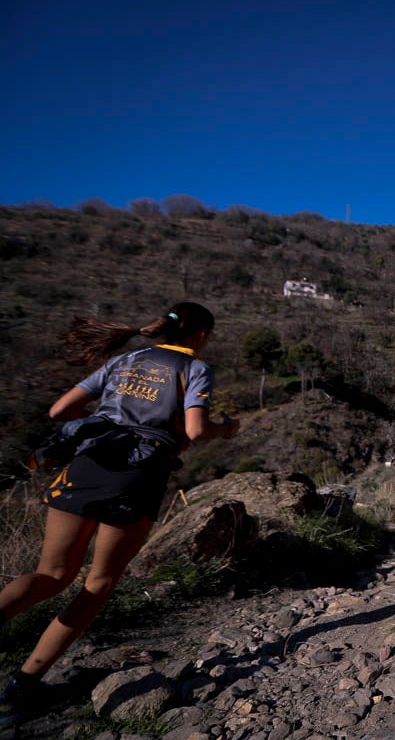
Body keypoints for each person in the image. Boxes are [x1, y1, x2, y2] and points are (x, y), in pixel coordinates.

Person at [0, 303, 239, 727]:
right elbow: (196, 431)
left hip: (88, 463)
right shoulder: (195, 369)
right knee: (97, 583)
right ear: (201, 334)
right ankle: (20, 689)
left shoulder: (124, 359)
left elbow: (59, 411)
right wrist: (225, 427)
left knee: (52, 574)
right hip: (138, 475)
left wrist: (105, 421)